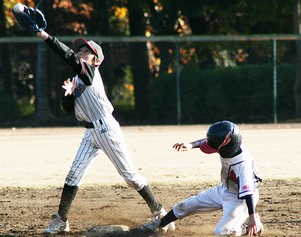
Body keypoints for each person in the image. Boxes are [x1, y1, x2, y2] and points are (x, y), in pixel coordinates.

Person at [32, 31, 175, 234]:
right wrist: (69, 95)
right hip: (90, 133)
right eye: (79, 50)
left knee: (130, 177)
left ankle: (160, 213)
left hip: (106, 129)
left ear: (96, 60)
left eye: (86, 51)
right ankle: (61, 219)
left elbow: (68, 56)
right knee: (73, 175)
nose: (80, 53)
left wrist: (45, 35)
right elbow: (67, 108)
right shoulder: (76, 78)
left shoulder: (90, 73)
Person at [139, 120, 263, 236]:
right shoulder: (231, 146)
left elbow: (248, 193)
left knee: (222, 232)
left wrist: (252, 216)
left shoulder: (242, 163)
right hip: (225, 189)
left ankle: (248, 227)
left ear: (226, 146)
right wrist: (191, 145)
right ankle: (159, 225)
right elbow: (208, 142)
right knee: (185, 205)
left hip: (241, 200)